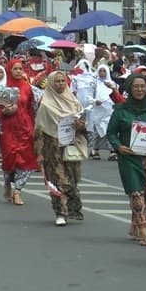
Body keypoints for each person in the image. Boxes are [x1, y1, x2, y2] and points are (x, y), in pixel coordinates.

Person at [106, 73, 146, 246]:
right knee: (136, 194)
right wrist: (118, 146)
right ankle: (143, 229)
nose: (139, 90)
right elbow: (111, 133)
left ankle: (135, 223)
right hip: (129, 158)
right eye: (136, 87)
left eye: (142, 86)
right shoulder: (121, 110)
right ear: (130, 89)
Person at [34, 71, 87, 226]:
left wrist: (80, 125)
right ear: (51, 83)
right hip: (52, 149)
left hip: (71, 146)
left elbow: (84, 125)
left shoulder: (74, 102)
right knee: (58, 180)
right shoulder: (45, 105)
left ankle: (71, 209)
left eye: (62, 81)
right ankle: (60, 212)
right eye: (56, 81)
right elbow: (39, 130)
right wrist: (39, 153)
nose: (60, 84)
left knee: (72, 178)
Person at [0, 59, 38, 205]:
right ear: (9, 70)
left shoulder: (27, 87)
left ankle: (18, 191)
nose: (18, 72)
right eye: (15, 69)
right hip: (7, 127)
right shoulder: (3, 88)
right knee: (10, 158)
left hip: (25, 128)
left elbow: (32, 107)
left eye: (20, 69)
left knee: (25, 159)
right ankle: (8, 183)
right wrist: (4, 111)